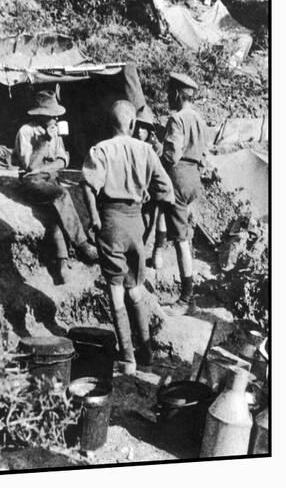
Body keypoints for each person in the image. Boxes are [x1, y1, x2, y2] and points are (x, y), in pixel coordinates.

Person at [82, 100, 174, 374]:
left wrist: (95, 218)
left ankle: (128, 358)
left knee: (115, 288)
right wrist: (149, 213)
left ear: (110, 123)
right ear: (133, 125)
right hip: (136, 224)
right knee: (135, 287)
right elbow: (165, 189)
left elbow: (87, 185)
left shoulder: (101, 150)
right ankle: (146, 352)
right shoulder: (146, 150)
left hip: (111, 220)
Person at [13, 90, 98, 284]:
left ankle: (61, 263)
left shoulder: (55, 130)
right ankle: (82, 244)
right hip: (32, 183)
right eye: (52, 115)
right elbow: (30, 167)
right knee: (61, 195)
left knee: (57, 214)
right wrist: (44, 143)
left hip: (49, 178)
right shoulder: (26, 132)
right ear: (40, 114)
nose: (56, 118)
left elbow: (63, 161)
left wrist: (47, 167)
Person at [160, 73, 207, 316]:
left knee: (180, 242)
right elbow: (203, 153)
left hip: (178, 177)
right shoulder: (199, 118)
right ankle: (157, 254)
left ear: (178, 94)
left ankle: (186, 299)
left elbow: (172, 155)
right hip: (194, 179)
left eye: (170, 92)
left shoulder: (177, 118)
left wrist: (157, 157)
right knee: (185, 236)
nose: (168, 96)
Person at [133, 108, 167, 268]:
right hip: (135, 191)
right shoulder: (132, 144)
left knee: (154, 218)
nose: (140, 131)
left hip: (151, 191)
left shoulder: (155, 148)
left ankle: (156, 251)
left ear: (150, 131)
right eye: (138, 127)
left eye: (144, 128)